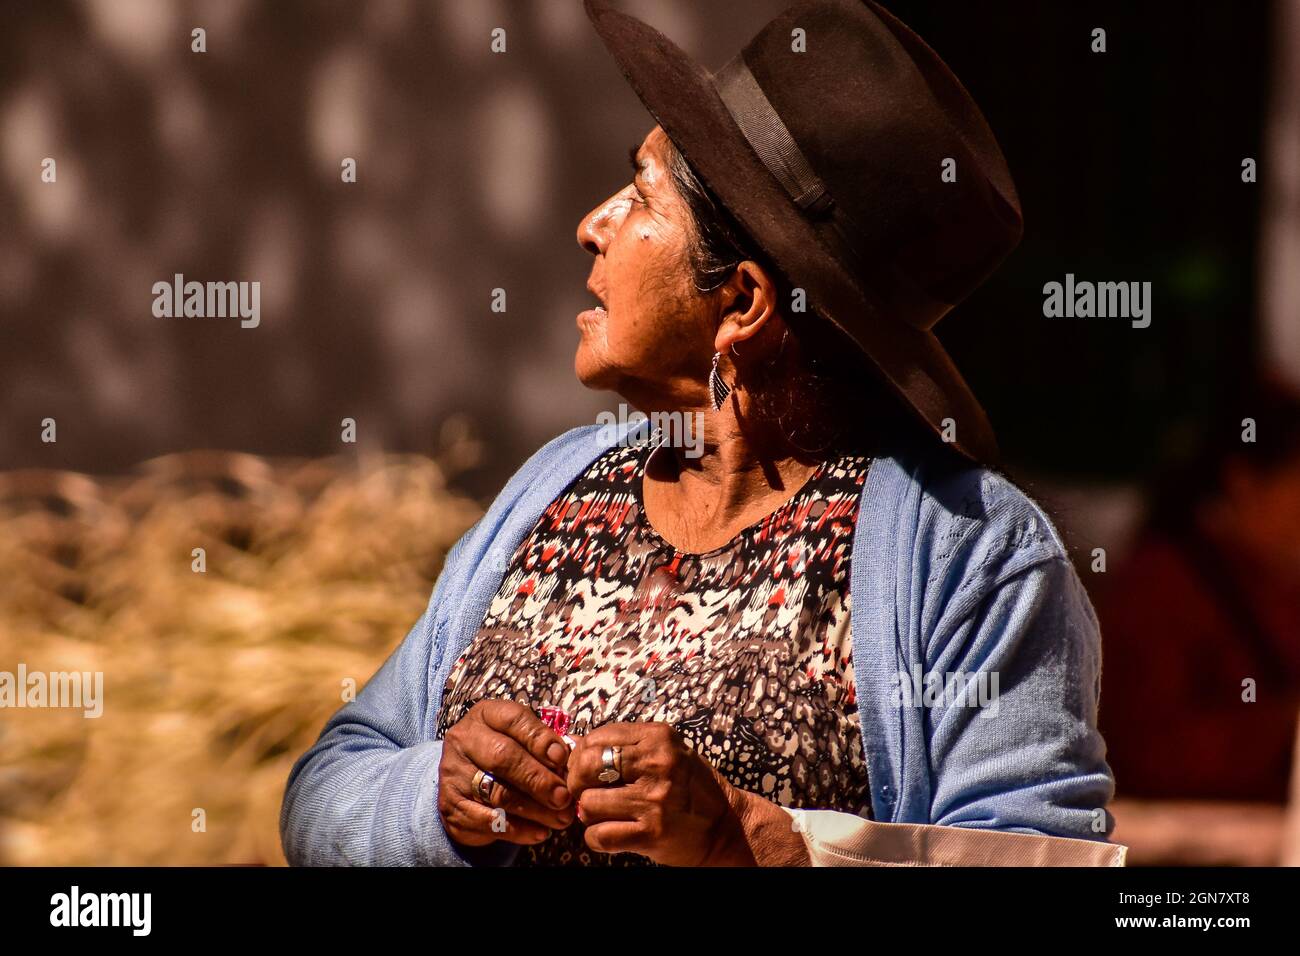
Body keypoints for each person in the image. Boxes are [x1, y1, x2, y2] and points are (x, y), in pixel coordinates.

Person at [280, 0, 1119, 867]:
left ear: (744, 306)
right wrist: (438, 799)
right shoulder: (554, 490)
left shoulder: (973, 558)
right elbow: (325, 789)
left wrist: (751, 843)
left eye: (639, 196)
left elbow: (1037, 858)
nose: (591, 225)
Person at [1098, 381, 1300, 803]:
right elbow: (1148, 751)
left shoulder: (1275, 581)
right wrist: (1279, 732)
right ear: (1243, 481)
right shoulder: (1161, 587)